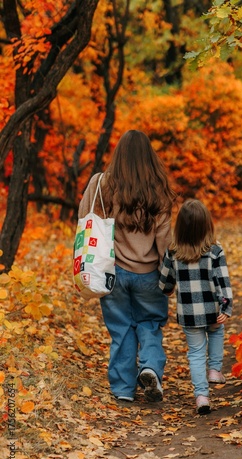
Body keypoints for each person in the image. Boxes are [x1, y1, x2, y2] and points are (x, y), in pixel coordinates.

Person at [78, 130, 176, 403]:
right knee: (150, 324)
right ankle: (150, 368)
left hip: (113, 272)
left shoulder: (103, 184)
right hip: (149, 275)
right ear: (149, 157)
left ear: (119, 154)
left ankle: (123, 390)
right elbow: (164, 243)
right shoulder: (159, 191)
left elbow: (84, 217)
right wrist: (169, 277)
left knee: (121, 329)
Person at [159, 199, 233, 415]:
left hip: (189, 314)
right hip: (212, 310)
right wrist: (226, 307)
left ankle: (201, 396)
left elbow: (165, 284)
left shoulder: (173, 252)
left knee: (196, 353)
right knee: (217, 332)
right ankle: (215, 370)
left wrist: (169, 288)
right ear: (207, 225)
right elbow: (223, 282)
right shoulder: (215, 251)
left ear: (180, 227)